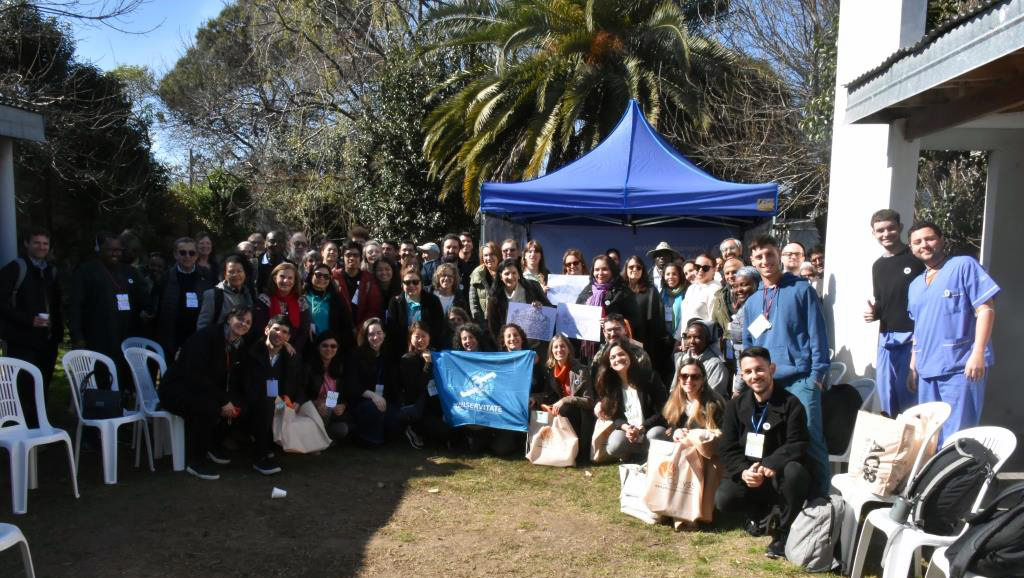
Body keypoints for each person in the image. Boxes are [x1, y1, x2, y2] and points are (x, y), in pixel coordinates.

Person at [741, 235, 829, 497]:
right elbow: (748, 344)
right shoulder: (753, 301)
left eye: (769, 254)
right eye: (759, 257)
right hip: (766, 384)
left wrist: (817, 376)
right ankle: (775, 499)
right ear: (752, 261)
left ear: (778, 254)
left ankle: (822, 499)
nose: (765, 261)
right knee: (768, 441)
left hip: (801, 379)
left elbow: (817, 334)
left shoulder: (802, 290)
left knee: (811, 438)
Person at [907, 221, 999, 442]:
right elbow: (919, 327)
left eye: (929, 239)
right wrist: (913, 365)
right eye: (917, 242)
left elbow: (986, 309)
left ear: (942, 241)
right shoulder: (915, 285)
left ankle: (962, 467)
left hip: (961, 367)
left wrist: (978, 352)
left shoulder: (963, 266)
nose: (924, 245)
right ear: (911, 248)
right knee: (930, 437)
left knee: (958, 435)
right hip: (927, 370)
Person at [715, 347, 811, 559]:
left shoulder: (792, 404)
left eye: (759, 369)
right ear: (742, 375)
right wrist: (743, 471)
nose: (754, 376)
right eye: (748, 371)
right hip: (749, 472)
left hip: (776, 474)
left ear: (771, 369)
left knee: (796, 472)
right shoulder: (734, 406)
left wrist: (771, 463)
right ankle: (757, 513)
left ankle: (783, 534)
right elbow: (727, 447)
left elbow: (798, 443)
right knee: (724, 499)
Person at [158, 305, 252, 480]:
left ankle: (211, 444)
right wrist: (223, 400)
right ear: (229, 318)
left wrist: (228, 400)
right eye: (240, 319)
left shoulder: (239, 344)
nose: (244, 324)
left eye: (248, 322)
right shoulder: (207, 337)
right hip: (178, 388)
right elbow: (195, 375)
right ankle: (196, 462)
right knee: (209, 407)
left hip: (207, 390)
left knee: (241, 405)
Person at [648, 357, 726, 529]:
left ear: (703, 379)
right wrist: (676, 431)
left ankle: (686, 512)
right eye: (684, 376)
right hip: (682, 454)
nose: (689, 380)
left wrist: (692, 436)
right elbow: (671, 424)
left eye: (695, 376)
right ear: (679, 378)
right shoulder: (676, 399)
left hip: (706, 457)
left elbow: (720, 436)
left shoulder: (714, 403)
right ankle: (669, 506)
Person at [863, 209, 925, 416]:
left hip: (912, 337)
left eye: (891, 228)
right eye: (880, 230)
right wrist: (874, 313)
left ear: (900, 228)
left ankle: (913, 436)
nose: (886, 234)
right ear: (873, 233)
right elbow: (882, 300)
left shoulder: (916, 258)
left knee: (909, 396)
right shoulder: (878, 266)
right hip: (886, 338)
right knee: (887, 396)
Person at [0, 228, 63, 427]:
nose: (41, 247)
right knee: (22, 385)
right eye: (37, 242)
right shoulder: (15, 269)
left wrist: (57, 332)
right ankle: (19, 428)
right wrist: (28, 320)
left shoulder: (51, 271)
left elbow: (56, 304)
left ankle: (39, 427)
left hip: (47, 341)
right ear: (27, 244)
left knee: (42, 385)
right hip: (21, 340)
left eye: (45, 243)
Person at [69, 233, 148, 372]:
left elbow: (142, 299)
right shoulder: (85, 271)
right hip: (97, 337)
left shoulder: (129, 272)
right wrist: (77, 337)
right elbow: (75, 306)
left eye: (118, 250)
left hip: (125, 337)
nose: (115, 254)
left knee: (123, 375)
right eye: (110, 250)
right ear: (99, 249)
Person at [243, 314, 302, 475]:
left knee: (277, 405)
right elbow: (245, 384)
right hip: (252, 401)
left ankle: (270, 447)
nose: (279, 334)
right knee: (266, 405)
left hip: (280, 401)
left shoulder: (291, 357)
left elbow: (298, 384)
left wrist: (296, 401)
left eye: (284, 332)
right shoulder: (251, 352)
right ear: (267, 330)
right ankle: (260, 457)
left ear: (288, 337)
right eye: (276, 329)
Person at [593, 340, 668, 460]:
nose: (618, 359)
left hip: (650, 428)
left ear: (630, 356)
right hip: (629, 431)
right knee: (614, 446)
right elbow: (615, 415)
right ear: (610, 364)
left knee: (655, 435)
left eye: (621, 354)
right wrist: (626, 428)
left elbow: (662, 410)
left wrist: (641, 427)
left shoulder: (650, 377)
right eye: (613, 357)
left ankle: (649, 456)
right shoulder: (611, 385)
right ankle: (633, 455)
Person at [151, 237, 215, 360]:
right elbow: (156, 308)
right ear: (175, 254)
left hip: (197, 333)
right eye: (182, 252)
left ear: (197, 255)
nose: (187, 256)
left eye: (191, 253)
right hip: (171, 335)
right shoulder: (165, 278)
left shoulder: (207, 276)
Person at [538, 334, 594, 460]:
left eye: (562, 346)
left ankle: (576, 450)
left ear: (569, 349)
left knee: (566, 408)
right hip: (560, 414)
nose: (559, 350)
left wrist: (565, 400)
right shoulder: (550, 371)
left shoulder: (581, 370)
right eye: (555, 347)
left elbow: (589, 401)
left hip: (580, 416)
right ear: (551, 351)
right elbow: (548, 395)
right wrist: (535, 400)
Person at [348, 317, 400, 445]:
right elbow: (352, 384)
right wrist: (373, 396)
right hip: (362, 399)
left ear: (384, 334)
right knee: (373, 409)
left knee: (395, 416)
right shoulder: (356, 355)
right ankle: (366, 439)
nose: (375, 337)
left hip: (383, 399)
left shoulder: (388, 355)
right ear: (366, 336)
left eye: (379, 333)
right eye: (371, 334)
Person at [398, 322, 451, 448]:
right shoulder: (407, 359)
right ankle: (412, 429)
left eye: (424, 336)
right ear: (411, 338)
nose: (420, 340)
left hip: (435, 405)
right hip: (419, 408)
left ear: (429, 337)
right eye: (417, 336)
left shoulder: (435, 354)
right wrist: (428, 364)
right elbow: (417, 386)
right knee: (443, 431)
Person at [575, 254, 638, 360]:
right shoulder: (587, 291)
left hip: (616, 350)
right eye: (597, 270)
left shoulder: (622, 291)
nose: (600, 273)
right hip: (589, 351)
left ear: (612, 270)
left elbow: (635, 319)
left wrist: (611, 322)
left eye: (604, 269)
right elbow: (576, 317)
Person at [622, 255, 671, 381]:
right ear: (626, 269)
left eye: (638, 267)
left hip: (645, 343)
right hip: (622, 341)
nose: (635, 269)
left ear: (643, 270)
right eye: (631, 267)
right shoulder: (619, 289)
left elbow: (657, 320)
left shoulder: (650, 290)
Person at [486, 259, 551, 340]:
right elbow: (493, 326)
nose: (511, 277)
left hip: (534, 340)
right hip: (510, 342)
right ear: (500, 276)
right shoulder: (495, 297)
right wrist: (502, 343)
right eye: (506, 274)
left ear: (519, 274)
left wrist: (541, 306)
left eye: (514, 273)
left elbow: (549, 310)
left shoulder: (533, 287)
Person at [253, 262, 311, 352]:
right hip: (266, 349)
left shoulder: (301, 302)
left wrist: (291, 349)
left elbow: (304, 332)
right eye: (282, 277)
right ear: (274, 278)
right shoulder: (264, 300)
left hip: (292, 350)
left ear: (295, 281)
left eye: (290, 278)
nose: (286, 281)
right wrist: (276, 346)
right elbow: (259, 328)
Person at [386, 266, 446, 352]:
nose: (411, 285)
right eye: (407, 282)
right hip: (402, 350)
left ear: (421, 283)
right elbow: (392, 329)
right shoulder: (395, 302)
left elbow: (439, 327)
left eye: (415, 282)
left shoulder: (433, 300)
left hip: (429, 349)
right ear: (402, 285)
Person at [304, 331, 350, 443]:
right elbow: (301, 392)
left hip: (331, 411)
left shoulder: (341, 368)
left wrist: (343, 405)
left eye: (333, 346)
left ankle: (321, 439)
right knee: (326, 409)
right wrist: (316, 403)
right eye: (325, 345)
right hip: (311, 409)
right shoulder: (308, 367)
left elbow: (346, 394)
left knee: (342, 429)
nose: (329, 349)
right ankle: (315, 441)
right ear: (318, 347)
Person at [197, 254, 256, 331]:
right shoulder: (213, 295)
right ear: (225, 274)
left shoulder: (248, 295)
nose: (235, 275)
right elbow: (202, 326)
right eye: (231, 272)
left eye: (239, 271)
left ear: (245, 273)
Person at [333, 240, 383, 328]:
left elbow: (373, 308)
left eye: (355, 255)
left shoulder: (369, 279)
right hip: (338, 327)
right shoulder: (334, 277)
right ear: (342, 257)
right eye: (348, 255)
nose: (352, 258)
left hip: (363, 328)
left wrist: (361, 328)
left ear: (361, 257)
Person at [304, 263, 355, 347]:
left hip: (330, 348)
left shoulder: (336, 299)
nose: (322, 278)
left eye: (326, 276)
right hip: (307, 346)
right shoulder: (302, 297)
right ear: (311, 275)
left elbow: (346, 326)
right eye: (318, 275)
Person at [726, 266, 759, 397]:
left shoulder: (757, 310)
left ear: (757, 284)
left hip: (750, 376)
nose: (738, 290)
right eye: (735, 286)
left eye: (744, 285)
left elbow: (749, 350)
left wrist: (738, 388)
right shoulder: (744, 308)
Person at [676, 320, 729, 399]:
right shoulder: (681, 360)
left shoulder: (715, 365)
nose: (692, 341)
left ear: (707, 340)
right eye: (689, 337)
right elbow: (674, 389)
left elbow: (713, 396)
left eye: (697, 337)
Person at [589, 313, 653, 378]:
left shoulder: (638, 353)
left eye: (617, 329)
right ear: (604, 332)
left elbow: (644, 378)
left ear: (625, 330)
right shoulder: (600, 354)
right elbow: (594, 377)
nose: (613, 334)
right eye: (609, 330)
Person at [678, 252, 721, 328]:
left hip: (702, 334)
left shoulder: (715, 289)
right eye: (697, 267)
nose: (700, 270)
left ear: (714, 270)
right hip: (686, 334)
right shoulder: (691, 288)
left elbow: (713, 322)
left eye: (705, 268)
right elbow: (684, 318)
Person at [710, 257, 744, 334]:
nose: (730, 276)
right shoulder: (719, 296)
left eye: (734, 272)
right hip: (728, 339)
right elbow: (715, 322)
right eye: (727, 273)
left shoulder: (754, 292)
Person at [469, 241, 499, 324]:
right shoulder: (477, 273)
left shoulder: (505, 272)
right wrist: (480, 322)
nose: (489, 258)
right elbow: (473, 302)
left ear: (498, 255)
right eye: (485, 255)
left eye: (492, 254)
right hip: (484, 322)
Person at [659, 262, 686, 338]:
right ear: (664, 276)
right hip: (662, 335)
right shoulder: (661, 293)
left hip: (679, 336)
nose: (670, 277)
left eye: (674, 274)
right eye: (668, 274)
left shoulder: (686, 293)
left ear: (680, 276)